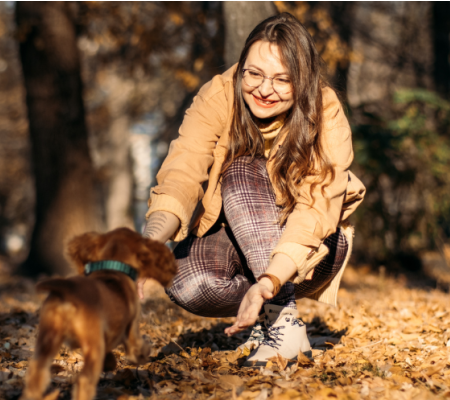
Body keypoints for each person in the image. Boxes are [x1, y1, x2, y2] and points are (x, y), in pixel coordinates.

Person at [140, 12, 366, 367]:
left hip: (310, 250)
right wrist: (150, 244)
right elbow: (183, 171)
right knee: (183, 280)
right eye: (254, 74)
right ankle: (268, 316)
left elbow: (316, 208)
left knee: (241, 169)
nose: (263, 89)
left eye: (282, 80)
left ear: (303, 80)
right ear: (241, 67)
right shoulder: (218, 95)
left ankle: (282, 320)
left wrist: (270, 282)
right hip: (236, 242)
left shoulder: (326, 112)